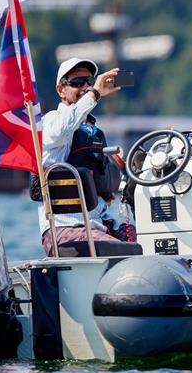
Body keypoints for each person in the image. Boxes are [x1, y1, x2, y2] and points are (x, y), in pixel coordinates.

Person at [36, 57, 134, 255]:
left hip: (100, 223)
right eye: (77, 83)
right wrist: (94, 94)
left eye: (89, 82)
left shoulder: (92, 132)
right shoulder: (52, 122)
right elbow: (63, 129)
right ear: (60, 90)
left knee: (154, 239)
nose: (85, 87)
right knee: (129, 252)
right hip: (67, 229)